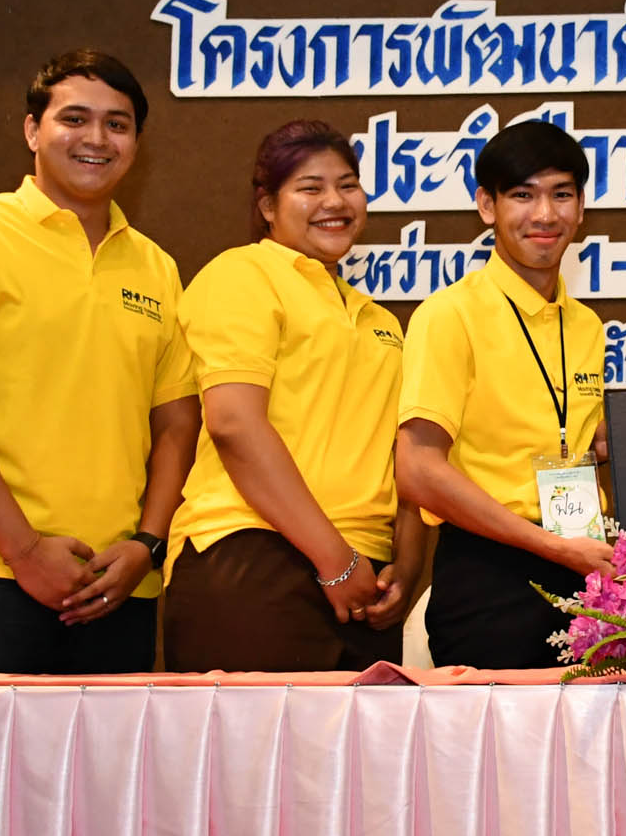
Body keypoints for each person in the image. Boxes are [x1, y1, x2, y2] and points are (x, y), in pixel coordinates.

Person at [0, 49, 200, 675]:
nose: (97, 139)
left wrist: (146, 545)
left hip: (116, 585)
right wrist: (24, 550)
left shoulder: (156, 267)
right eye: (75, 119)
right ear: (33, 130)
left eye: (117, 124)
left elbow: (176, 423)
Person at [160, 120, 429, 672]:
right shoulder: (242, 274)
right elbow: (234, 424)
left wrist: (403, 568)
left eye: (348, 185)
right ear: (267, 206)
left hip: (363, 580)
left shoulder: (380, 320)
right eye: (310, 188)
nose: (334, 201)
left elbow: (405, 459)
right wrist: (334, 560)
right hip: (252, 552)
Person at [394, 121, 613, 668]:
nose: (545, 214)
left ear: (581, 208)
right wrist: (552, 547)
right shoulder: (450, 315)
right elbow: (417, 468)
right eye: (522, 195)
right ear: (486, 206)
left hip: (584, 570)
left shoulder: (586, 326)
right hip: (490, 575)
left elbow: (573, 439)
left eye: (562, 194)